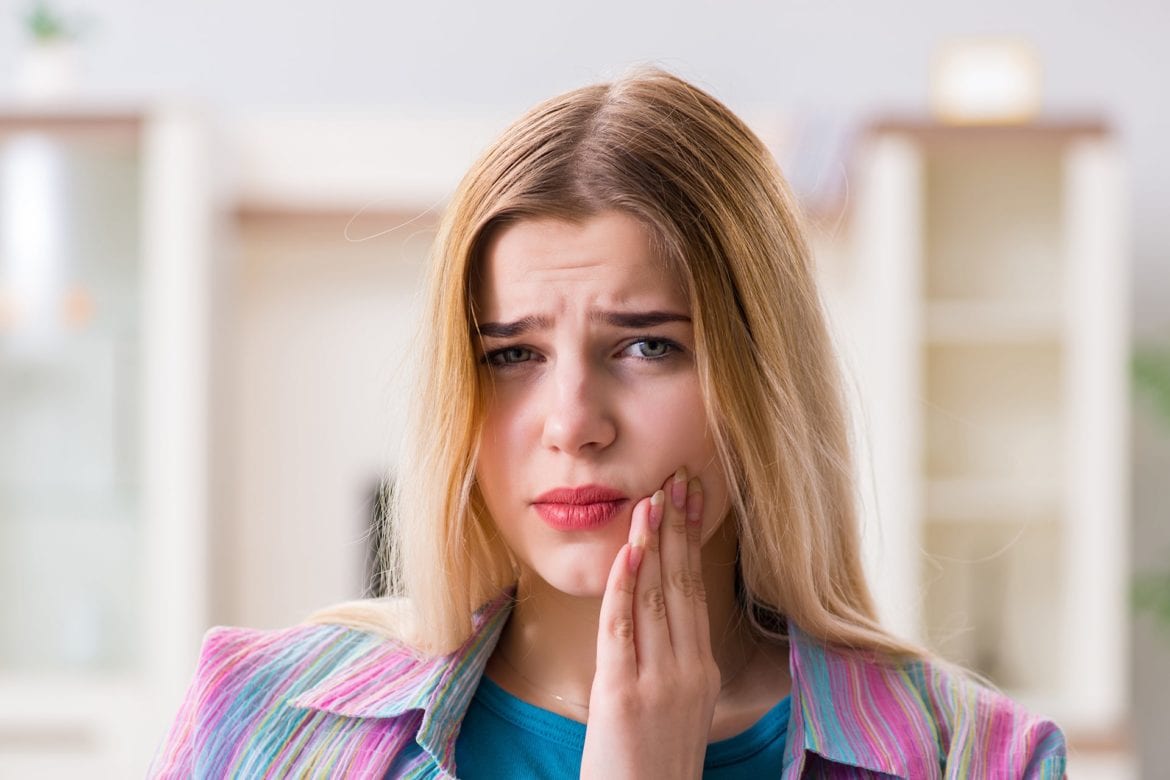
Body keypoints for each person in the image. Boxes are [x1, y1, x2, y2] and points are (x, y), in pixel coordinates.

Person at [147, 66, 1068, 778]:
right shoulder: (262, 721)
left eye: (646, 347)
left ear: (761, 379)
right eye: (512, 354)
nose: (573, 424)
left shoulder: (976, 758)